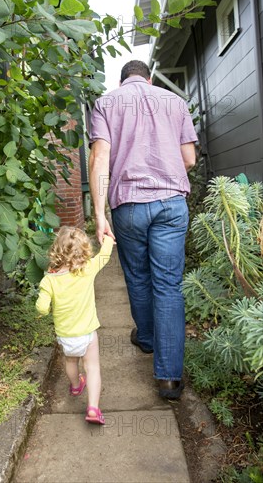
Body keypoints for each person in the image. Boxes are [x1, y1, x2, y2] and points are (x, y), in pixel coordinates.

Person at [89, 60, 197, 400]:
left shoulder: (106, 103)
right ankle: (169, 379)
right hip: (170, 204)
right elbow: (190, 159)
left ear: (123, 81)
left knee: (137, 276)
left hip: (128, 205)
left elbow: (99, 158)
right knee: (168, 283)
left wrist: (98, 213)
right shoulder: (175, 102)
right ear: (148, 78)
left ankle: (148, 339)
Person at [36, 226, 114, 423]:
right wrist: (107, 239)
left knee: (71, 361)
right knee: (93, 368)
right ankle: (93, 409)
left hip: (65, 335)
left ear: (57, 251)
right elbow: (104, 256)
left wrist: (45, 310)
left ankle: (75, 386)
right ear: (85, 250)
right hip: (87, 333)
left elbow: (42, 307)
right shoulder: (87, 270)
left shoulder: (49, 280)